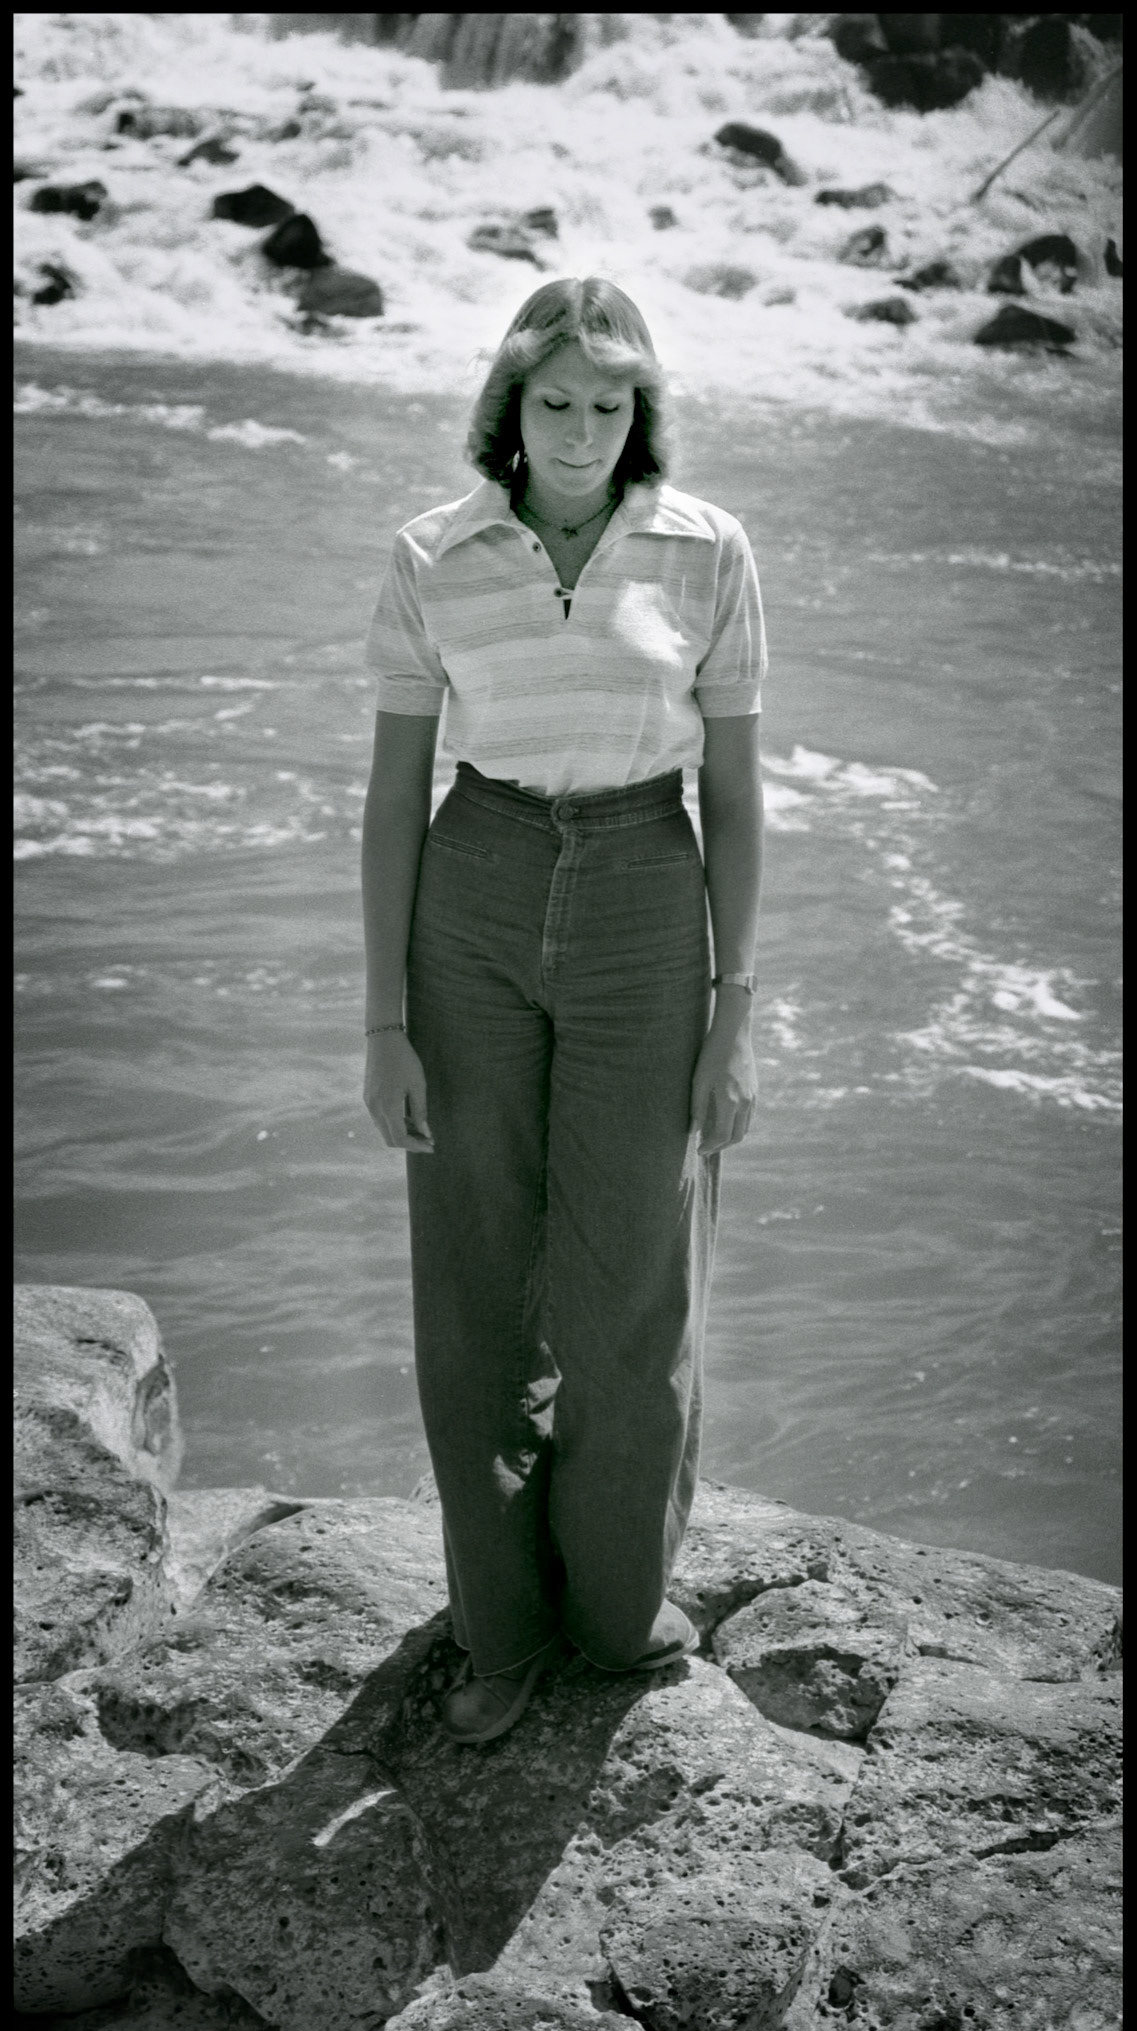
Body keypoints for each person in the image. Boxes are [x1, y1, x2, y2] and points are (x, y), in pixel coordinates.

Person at [361, 276, 766, 1745]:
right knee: (472, 1285)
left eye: (610, 403)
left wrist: (734, 1007)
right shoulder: (431, 551)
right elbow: (395, 791)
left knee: (630, 1281)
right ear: (509, 409)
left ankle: (613, 1609)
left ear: (638, 411)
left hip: (648, 894)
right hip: (472, 884)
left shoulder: (707, 548)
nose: (584, 430)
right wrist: (379, 1020)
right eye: (556, 402)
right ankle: (500, 1631)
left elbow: (731, 784)